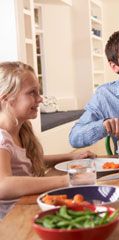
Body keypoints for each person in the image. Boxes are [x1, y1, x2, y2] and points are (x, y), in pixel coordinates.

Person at [0, 61, 95, 219]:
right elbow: (3, 184)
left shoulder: (21, 130)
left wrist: (70, 157)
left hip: (26, 207)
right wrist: (66, 180)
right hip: (11, 221)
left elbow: (26, 161)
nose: (40, 99)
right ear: (6, 99)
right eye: (32, 93)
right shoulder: (2, 138)